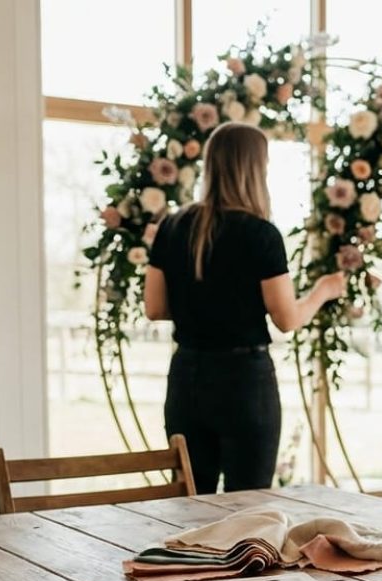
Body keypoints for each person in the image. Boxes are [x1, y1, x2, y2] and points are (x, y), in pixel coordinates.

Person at [144, 122, 346, 493]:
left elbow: (154, 307)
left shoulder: (173, 226)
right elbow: (287, 319)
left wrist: (202, 304)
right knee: (248, 508)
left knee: (188, 505)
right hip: (244, 384)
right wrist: (323, 290)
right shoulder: (260, 234)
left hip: (187, 377)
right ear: (256, 169)